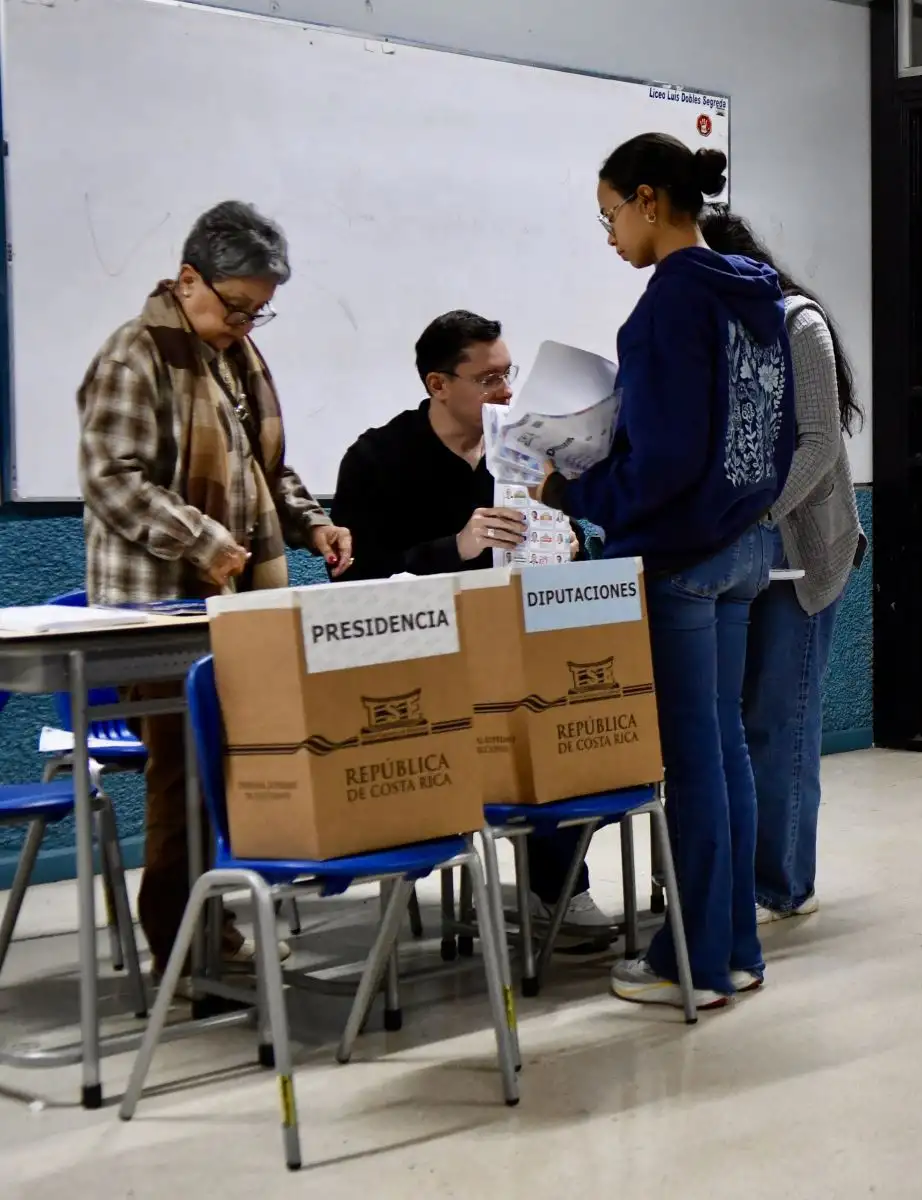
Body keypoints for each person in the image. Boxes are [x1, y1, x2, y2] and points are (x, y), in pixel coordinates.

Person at [537, 133, 795, 1010]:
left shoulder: (665, 309)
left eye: (610, 215)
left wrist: (580, 482)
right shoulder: (759, 298)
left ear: (650, 200)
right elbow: (780, 435)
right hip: (747, 546)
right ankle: (736, 949)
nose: (610, 235)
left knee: (691, 765)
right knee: (726, 756)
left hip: (681, 558)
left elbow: (669, 456)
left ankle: (690, 961)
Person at [78, 201, 354, 980]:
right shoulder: (135, 357)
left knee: (228, 769)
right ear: (188, 278)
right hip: (154, 609)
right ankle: (183, 948)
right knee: (183, 775)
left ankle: (217, 925)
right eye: (236, 307)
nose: (246, 324)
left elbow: (264, 471)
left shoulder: (233, 359)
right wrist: (201, 539)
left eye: (259, 313)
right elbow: (110, 479)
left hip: (234, 606)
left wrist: (312, 525)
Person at [329, 310, 619, 942]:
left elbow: (571, 559)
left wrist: (568, 544)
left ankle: (558, 885)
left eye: (508, 373)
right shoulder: (378, 458)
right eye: (488, 379)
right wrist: (454, 549)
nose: (507, 391)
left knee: (578, 705)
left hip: (515, 650)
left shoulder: (527, 452)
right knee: (517, 714)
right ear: (438, 384)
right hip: (420, 665)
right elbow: (353, 584)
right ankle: (549, 883)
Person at [700, 211, 864, 925]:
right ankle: (731, 877)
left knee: (780, 719)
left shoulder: (797, 322)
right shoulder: (704, 331)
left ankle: (783, 885)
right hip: (737, 548)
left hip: (800, 547)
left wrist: (757, 516)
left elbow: (820, 441)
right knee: (728, 721)